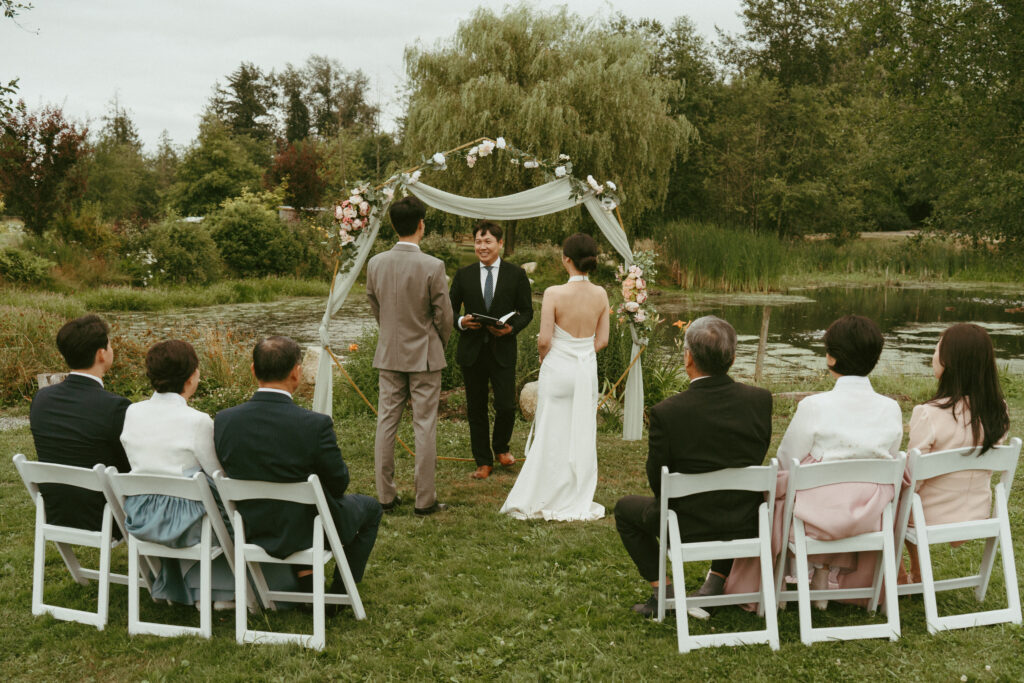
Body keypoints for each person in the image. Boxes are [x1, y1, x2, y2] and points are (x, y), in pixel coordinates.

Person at [727, 314, 903, 610]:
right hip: (870, 519)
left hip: (817, 520)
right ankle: (822, 576)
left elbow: (786, 460)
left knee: (782, 490)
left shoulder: (814, 406)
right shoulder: (891, 409)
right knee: (835, 489)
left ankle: (775, 585)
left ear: (831, 359)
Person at [614, 316, 773, 618]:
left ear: (688, 357)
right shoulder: (760, 400)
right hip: (746, 521)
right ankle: (715, 582)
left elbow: (657, 480)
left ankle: (665, 591)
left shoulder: (667, 412)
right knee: (727, 494)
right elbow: (757, 454)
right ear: (733, 357)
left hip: (686, 525)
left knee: (625, 509)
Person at [215, 336, 382, 594]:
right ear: (296, 372)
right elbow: (339, 484)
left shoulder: (224, 421)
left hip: (251, 525)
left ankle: (307, 584)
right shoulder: (314, 424)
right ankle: (340, 592)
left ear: (253, 371)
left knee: (296, 510)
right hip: (306, 529)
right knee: (370, 508)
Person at [119, 340, 236, 607]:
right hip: (185, 524)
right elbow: (217, 473)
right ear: (192, 376)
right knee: (230, 508)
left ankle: (186, 585)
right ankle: (220, 589)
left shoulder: (132, 412)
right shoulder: (198, 420)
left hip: (141, 516)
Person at [500, 233, 608, 521]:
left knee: (551, 430)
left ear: (566, 259)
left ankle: (544, 489)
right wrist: (583, 353)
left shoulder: (553, 293)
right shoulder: (601, 294)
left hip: (558, 369)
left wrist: (548, 357)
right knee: (580, 431)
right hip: (585, 372)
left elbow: (544, 340)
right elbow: (603, 340)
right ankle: (575, 491)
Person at [366, 196, 453, 516]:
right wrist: (437, 343)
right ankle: (424, 500)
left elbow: (375, 305)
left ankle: (385, 497)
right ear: (421, 225)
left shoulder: (375, 263)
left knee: (386, 422)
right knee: (424, 424)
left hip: (389, 353)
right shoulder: (433, 266)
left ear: (392, 225)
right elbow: (445, 315)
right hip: (425, 356)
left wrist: (389, 332)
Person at [902, 323, 1010, 582]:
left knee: (893, 498)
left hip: (929, 516)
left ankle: (897, 573)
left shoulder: (928, 414)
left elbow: (912, 481)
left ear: (949, 361)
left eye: (937, 348)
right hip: (976, 511)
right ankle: (917, 571)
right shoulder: (999, 411)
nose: (933, 355)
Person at [29, 313, 131, 533]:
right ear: (101, 354)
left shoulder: (41, 399)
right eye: (110, 345)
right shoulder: (115, 407)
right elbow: (129, 467)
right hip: (107, 515)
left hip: (56, 512)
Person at [449, 220, 534, 479]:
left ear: (500, 244)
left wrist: (511, 329)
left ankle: (501, 447)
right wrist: (462, 322)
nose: (482, 246)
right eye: (478, 241)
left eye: (487, 242)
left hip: (503, 348)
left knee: (506, 405)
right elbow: (448, 310)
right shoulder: (463, 275)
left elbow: (527, 311)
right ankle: (483, 461)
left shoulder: (516, 274)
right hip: (471, 350)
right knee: (476, 408)